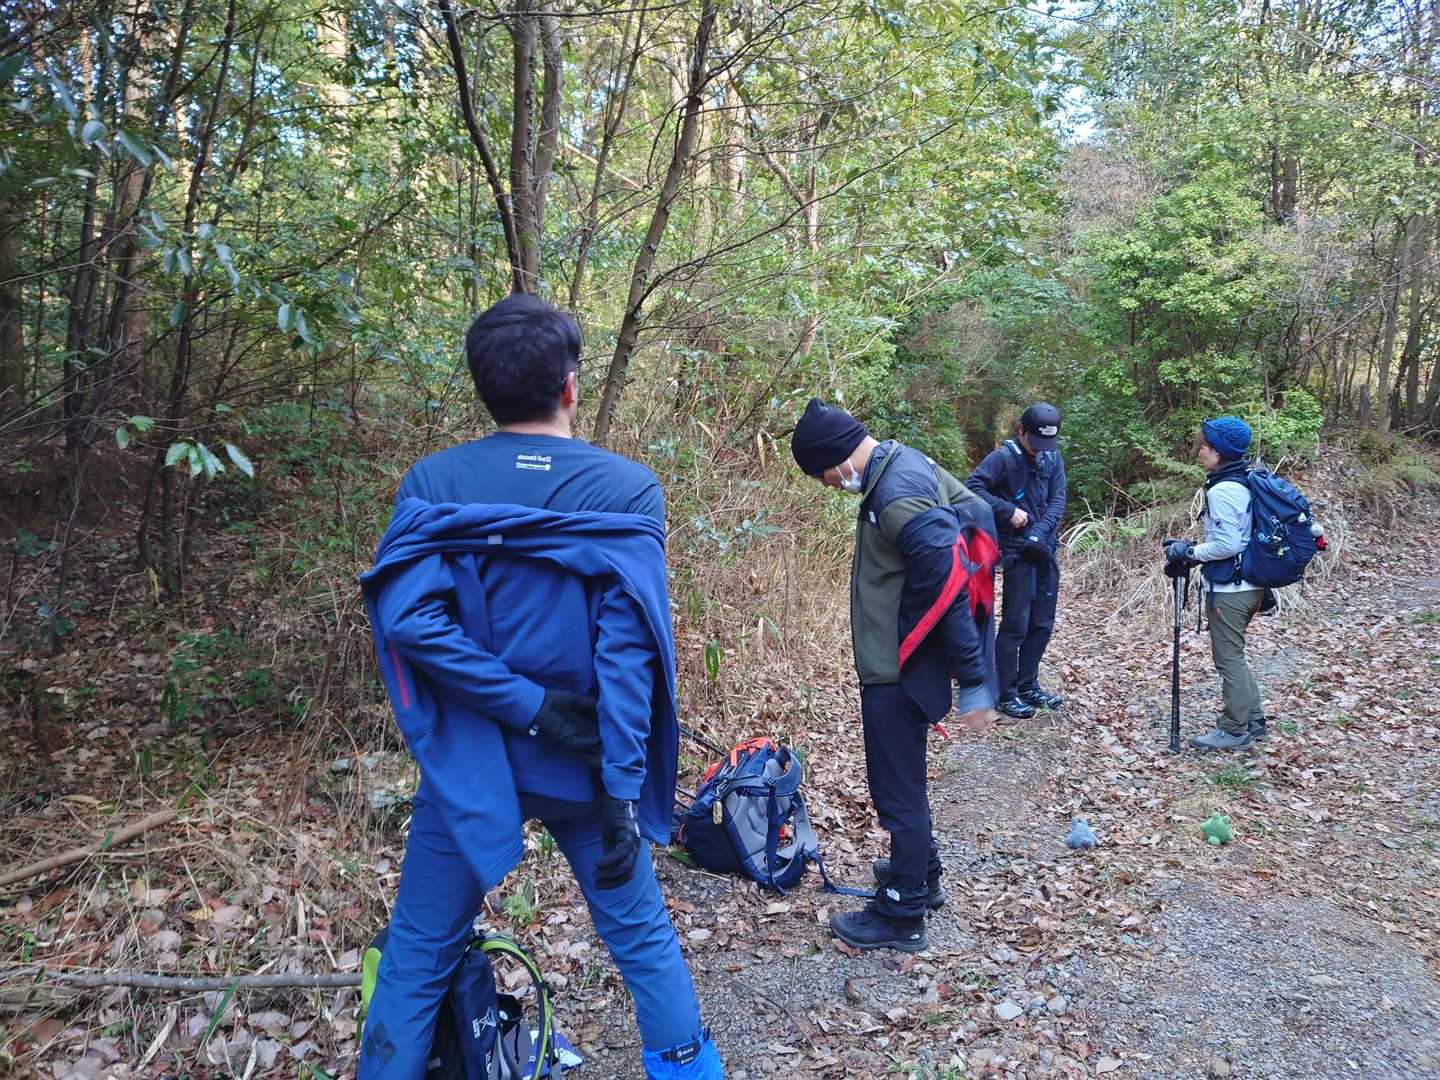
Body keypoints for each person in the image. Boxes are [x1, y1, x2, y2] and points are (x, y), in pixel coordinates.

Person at [358, 294, 722, 1080]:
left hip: (470, 767)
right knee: (641, 939)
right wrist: (622, 787)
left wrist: (524, 708)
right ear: (570, 386)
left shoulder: (435, 481)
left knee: (416, 956)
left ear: (483, 388)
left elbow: (411, 622)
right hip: (588, 767)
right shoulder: (626, 490)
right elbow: (628, 655)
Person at [790, 398, 999, 953]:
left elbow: (948, 583)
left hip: (899, 669)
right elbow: (974, 513)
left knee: (897, 790)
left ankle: (902, 913)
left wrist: (973, 679)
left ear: (836, 458)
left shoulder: (896, 495)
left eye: (823, 474)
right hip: (908, 662)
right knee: (905, 782)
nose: (829, 485)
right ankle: (922, 875)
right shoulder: (904, 463)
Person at [1164, 416, 1269, 751]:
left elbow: (1228, 545)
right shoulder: (1245, 480)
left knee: (1228, 659)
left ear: (1219, 452)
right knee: (1235, 655)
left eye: (1204, 446)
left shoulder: (1223, 490)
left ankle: (1234, 729)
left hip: (1231, 590)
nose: (1199, 452)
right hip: (1251, 585)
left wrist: (1190, 552)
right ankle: (1254, 719)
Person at [964, 403, 1068, 720]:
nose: (1040, 449)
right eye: (1035, 441)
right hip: (1016, 553)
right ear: (1021, 430)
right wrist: (1007, 511)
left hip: (1044, 548)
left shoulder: (1052, 457)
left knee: (1042, 622)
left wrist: (1038, 533)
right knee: (1016, 623)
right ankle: (1006, 693)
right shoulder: (1003, 458)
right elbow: (972, 488)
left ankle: (1028, 685)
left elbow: (1058, 499)